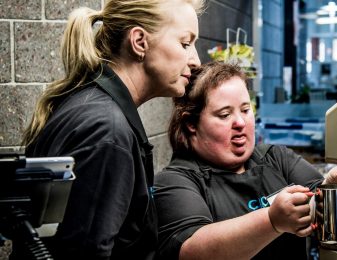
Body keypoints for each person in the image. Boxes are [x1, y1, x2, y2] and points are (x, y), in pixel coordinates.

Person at [21, 0, 205, 259]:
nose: (196, 60)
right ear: (140, 42)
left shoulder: (94, 108)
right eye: (185, 44)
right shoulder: (106, 131)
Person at [154, 62, 337, 260]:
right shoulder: (175, 181)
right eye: (225, 115)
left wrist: (331, 187)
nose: (240, 123)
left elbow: (316, 204)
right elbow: (192, 252)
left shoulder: (276, 158)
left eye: (245, 110)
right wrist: (271, 220)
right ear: (191, 123)